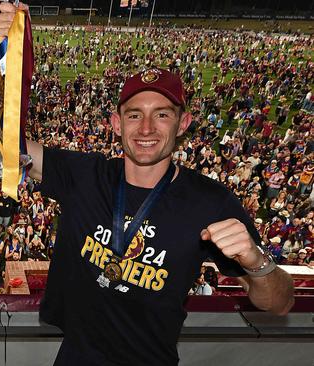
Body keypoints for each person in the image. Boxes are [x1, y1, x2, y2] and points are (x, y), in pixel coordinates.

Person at [20, 66, 295, 365]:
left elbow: (280, 303)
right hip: (75, 356)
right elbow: (5, 145)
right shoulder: (85, 175)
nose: (146, 128)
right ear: (116, 123)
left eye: (162, 114)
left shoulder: (211, 202)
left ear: (182, 123)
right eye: (134, 114)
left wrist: (255, 260)